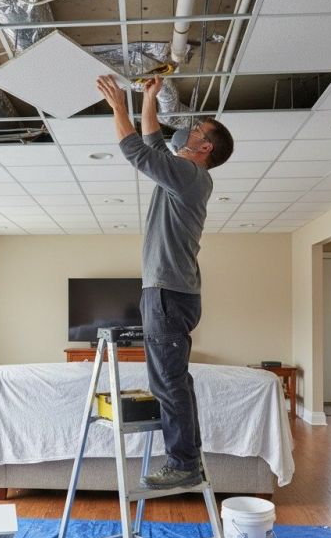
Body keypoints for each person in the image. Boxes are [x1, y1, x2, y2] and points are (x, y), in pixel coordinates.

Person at [96, 74, 234, 489]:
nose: (190, 129)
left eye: (197, 130)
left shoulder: (191, 177)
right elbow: (153, 142)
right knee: (176, 380)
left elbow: (136, 150)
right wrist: (149, 97)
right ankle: (188, 453)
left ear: (205, 147)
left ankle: (183, 463)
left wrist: (118, 104)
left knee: (167, 382)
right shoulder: (181, 174)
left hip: (168, 294)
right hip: (171, 292)